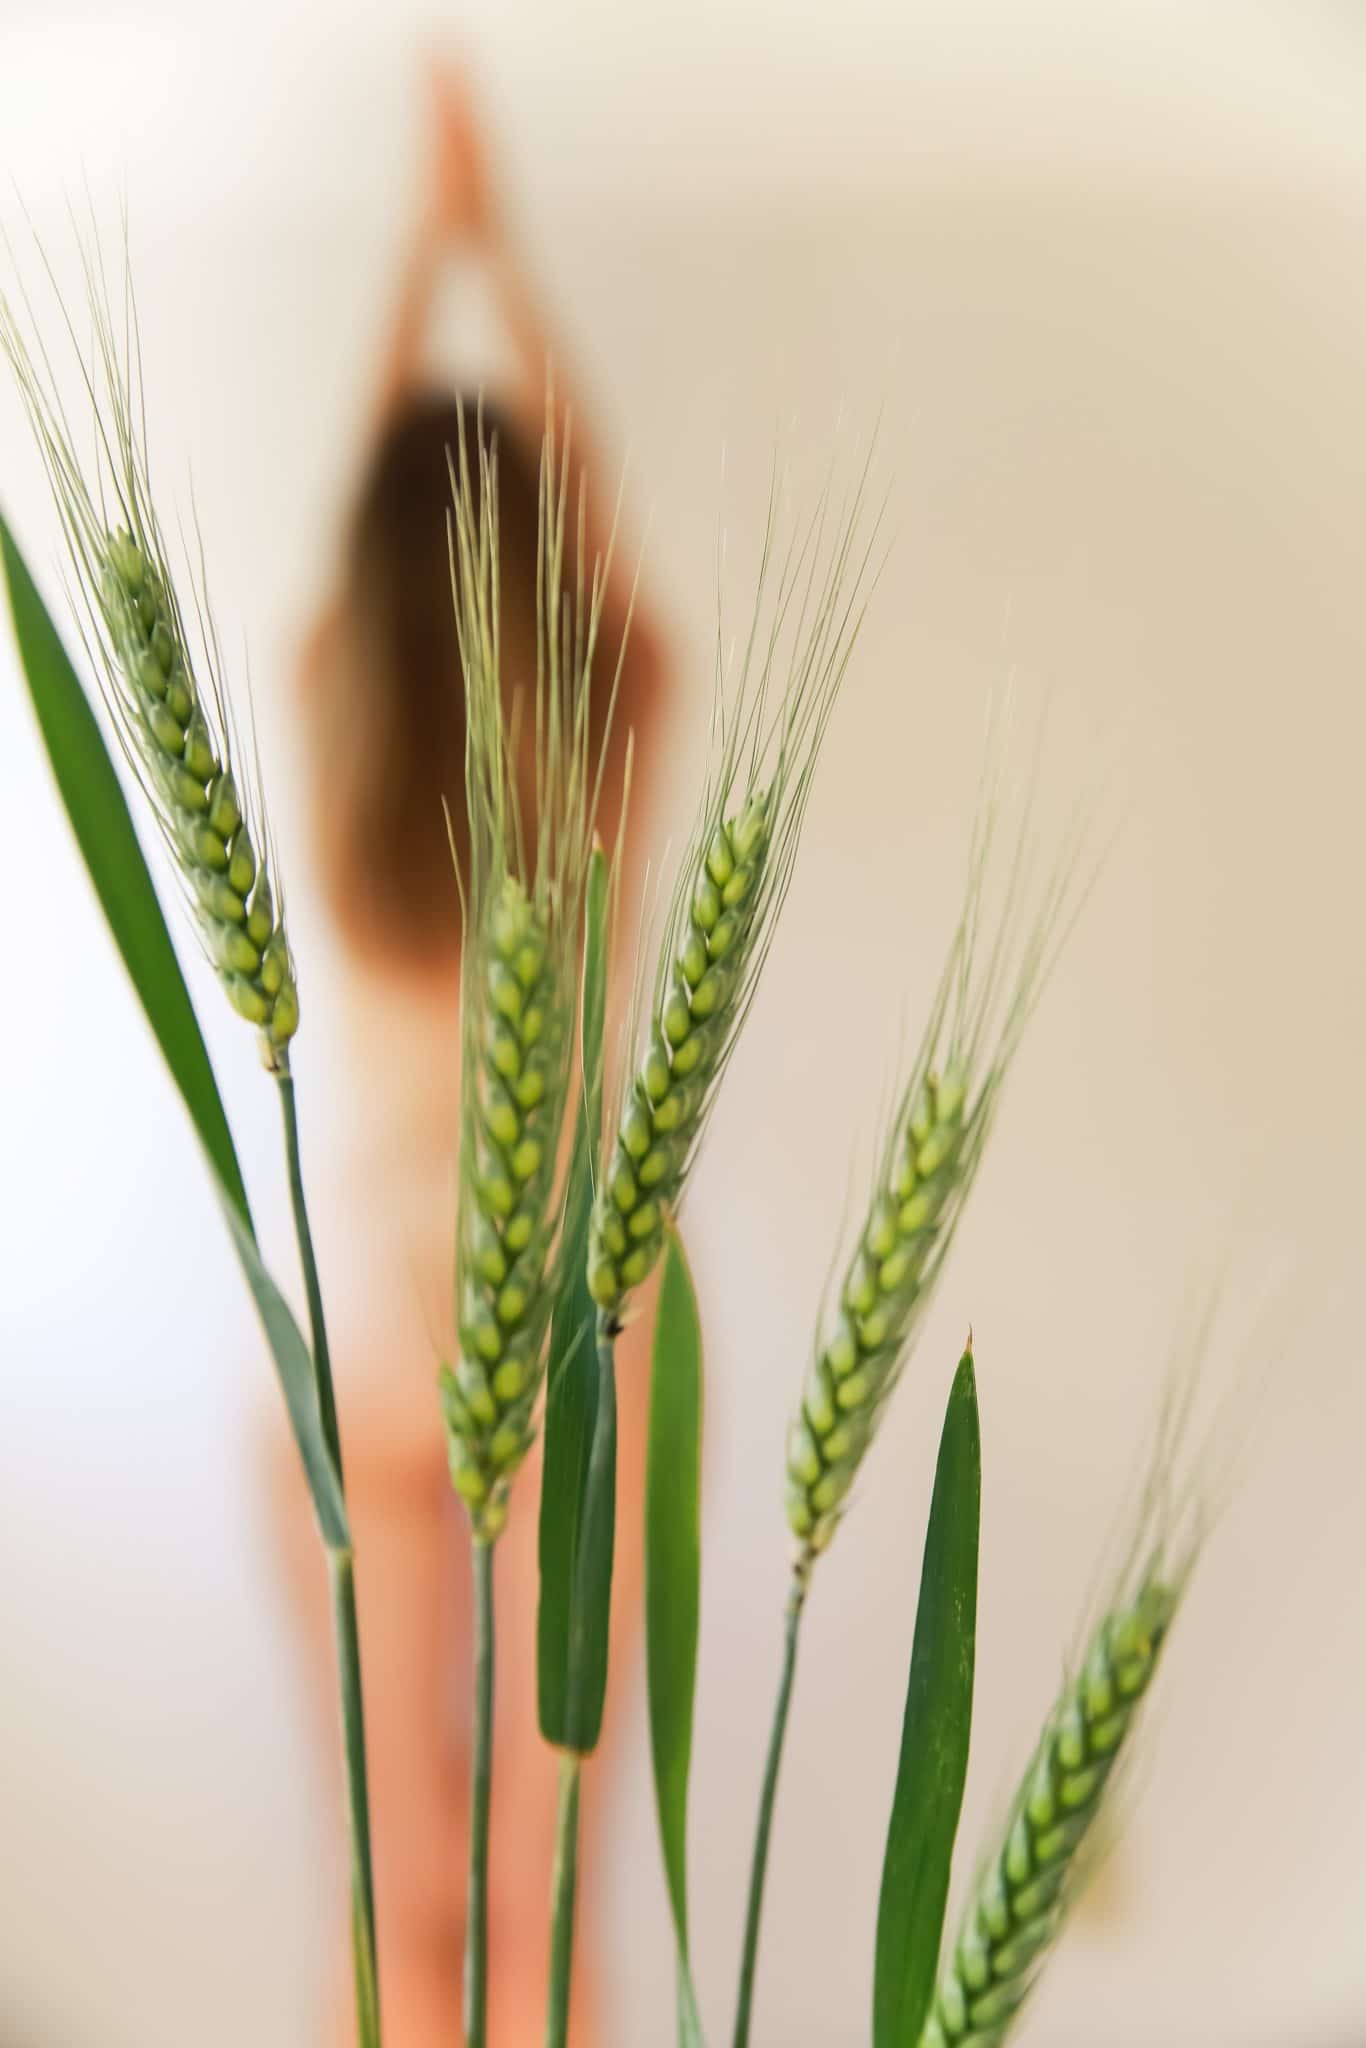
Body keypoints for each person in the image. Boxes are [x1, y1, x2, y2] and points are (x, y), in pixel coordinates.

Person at [273, 59, 668, 2047]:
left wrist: (419, 263)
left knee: (408, 1890)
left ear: (371, 582)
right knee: (538, 1887)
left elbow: (331, 583)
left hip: (362, 1345)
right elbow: (602, 544)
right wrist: (489, 261)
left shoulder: (336, 762)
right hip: (572, 1350)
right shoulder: (598, 756)